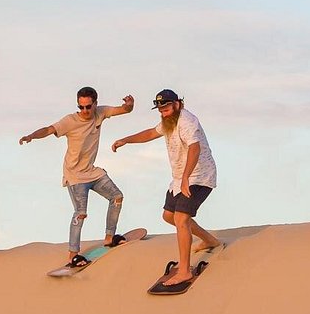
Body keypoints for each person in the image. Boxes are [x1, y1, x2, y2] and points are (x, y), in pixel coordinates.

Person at [111, 89, 219, 287]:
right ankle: (210, 240)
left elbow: (195, 149)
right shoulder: (168, 122)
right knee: (169, 216)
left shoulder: (188, 121)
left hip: (199, 176)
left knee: (181, 218)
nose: (164, 112)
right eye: (161, 110)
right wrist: (126, 139)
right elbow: (151, 133)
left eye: (167, 108)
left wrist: (186, 177)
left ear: (177, 104)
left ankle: (185, 271)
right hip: (180, 178)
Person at [20, 87, 136, 269]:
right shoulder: (70, 121)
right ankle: (72, 255)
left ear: (95, 104)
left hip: (92, 172)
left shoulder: (101, 113)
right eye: (80, 107)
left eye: (88, 107)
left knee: (117, 197)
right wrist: (31, 136)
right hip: (74, 175)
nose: (84, 111)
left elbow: (123, 110)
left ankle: (109, 237)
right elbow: (50, 129)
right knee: (80, 213)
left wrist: (129, 105)